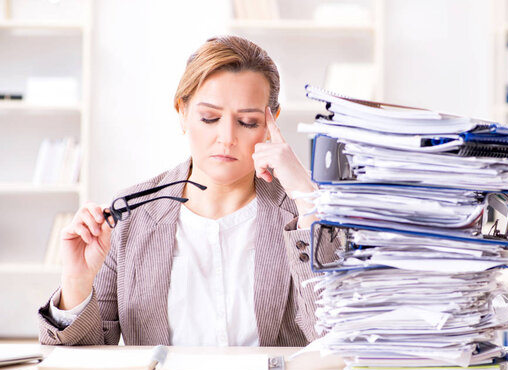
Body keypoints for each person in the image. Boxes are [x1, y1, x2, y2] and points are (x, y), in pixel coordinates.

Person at [38, 35, 337, 347]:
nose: (227, 137)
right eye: (209, 118)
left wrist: (307, 196)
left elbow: (334, 341)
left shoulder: (302, 214)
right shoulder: (128, 217)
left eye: (247, 122)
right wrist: (76, 283)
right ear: (182, 112)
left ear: (270, 122)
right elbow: (83, 363)